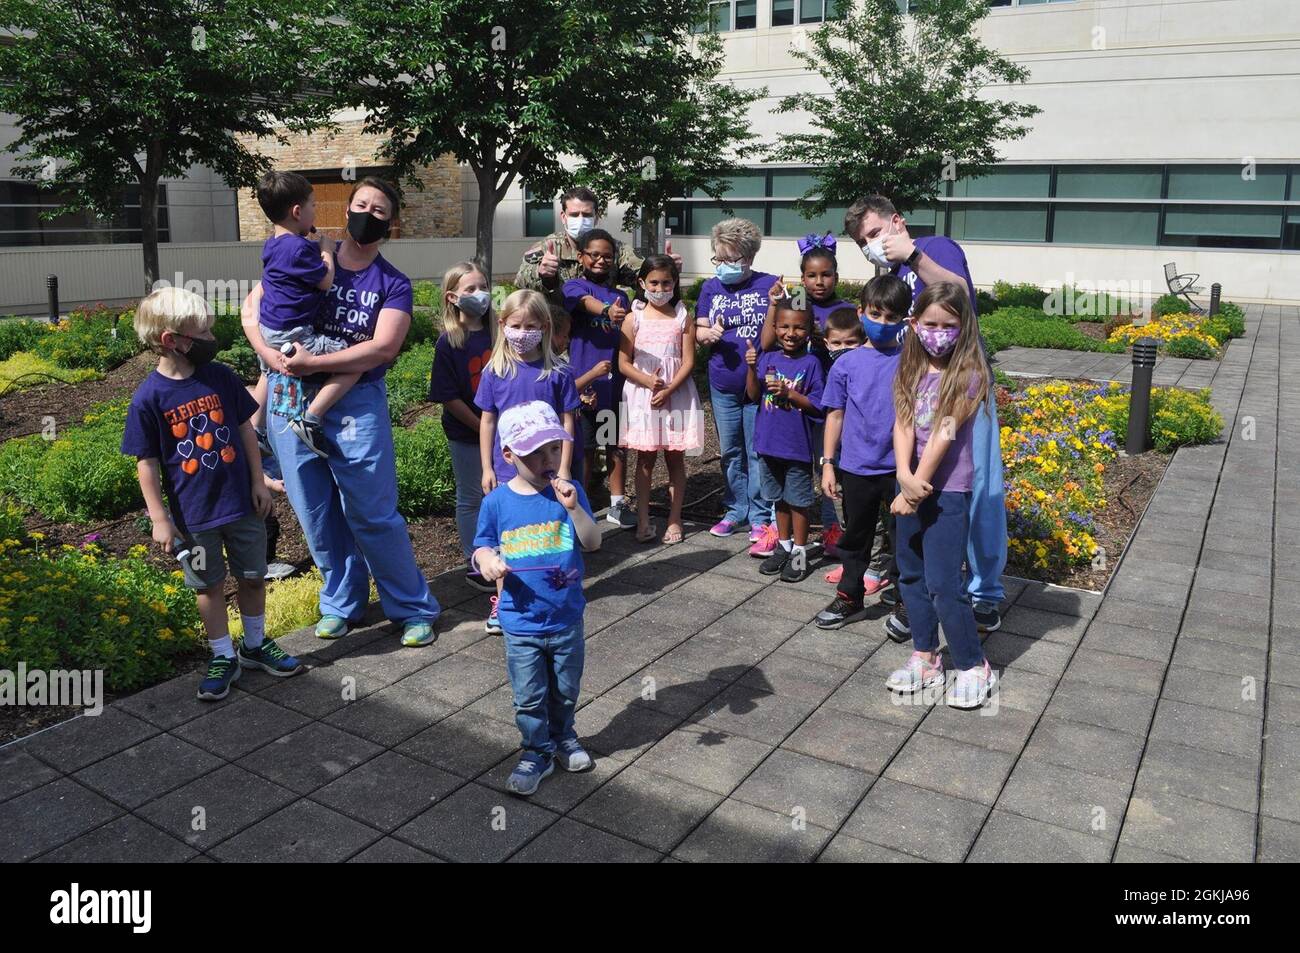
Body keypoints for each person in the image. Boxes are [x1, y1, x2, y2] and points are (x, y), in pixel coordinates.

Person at [240, 176, 441, 648]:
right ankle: (341, 603)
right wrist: (270, 357)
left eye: (378, 210)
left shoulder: (392, 283)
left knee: (372, 513)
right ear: (346, 207)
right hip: (290, 399)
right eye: (360, 205)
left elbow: (383, 349)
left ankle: (411, 608)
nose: (366, 215)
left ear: (391, 223)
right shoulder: (302, 255)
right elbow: (253, 310)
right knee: (315, 511)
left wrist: (315, 362)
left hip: (355, 407)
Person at [123, 286, 301, 701]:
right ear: (172, 340)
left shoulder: (218, 376)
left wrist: (259, 481)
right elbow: (145, 463)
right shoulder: (148, 398)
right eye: (200, 331)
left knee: (254, 576)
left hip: (241, 504)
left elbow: (244, 429)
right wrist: (160, 519)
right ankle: (223, 656)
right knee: (208, 586)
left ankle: (255, 646)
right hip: (194, 518)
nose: (209, 338)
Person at [845, 194, 1007, 634]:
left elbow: (963, 297)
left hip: (965, 394)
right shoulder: (895, 275)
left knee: (979, 494)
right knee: (932, 491)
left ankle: (985, 593)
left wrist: (914, 255)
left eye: (876, 232)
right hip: (921, 396)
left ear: (897, 222)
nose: (873, 244)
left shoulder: (935, 248)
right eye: (865, 241)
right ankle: (932, 595)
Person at [472, 401, 601, 796]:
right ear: (508, 455)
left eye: (553, 449)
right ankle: (535, 751)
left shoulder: (570, 492)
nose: (548, 459)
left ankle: (564, 738)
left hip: (565, 617)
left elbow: (593, 543)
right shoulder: (497, 502)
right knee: (529, 696)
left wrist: (575, 509)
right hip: (521, 620)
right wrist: (488, 561)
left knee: (565, 689)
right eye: (535, 453)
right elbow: (480, 548)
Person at [887, 281, 998, 709]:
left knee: (943, 583)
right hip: (910, 485)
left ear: (963, 326)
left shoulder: (969, 375)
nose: (937, 332)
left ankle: (973, 665)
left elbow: (944, 433)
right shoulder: (909, 368)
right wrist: (904, 476)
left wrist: (915, 488)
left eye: (947, 325)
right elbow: (902, 423)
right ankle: (926, 654)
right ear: (914, 324)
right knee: (910, 574)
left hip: (947, 491)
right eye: (929, 323)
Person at [475, 288, 581, 635]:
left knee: (546, 535)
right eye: (515, 325)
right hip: (507, 471)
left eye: (531, 325)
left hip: (548, 470)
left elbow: (568, 419)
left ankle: (553, 592)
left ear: (545, 326)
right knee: (509, 539)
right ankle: (503, 602)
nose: (523, 333)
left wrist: (563, 467)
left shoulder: (557, 372)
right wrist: (488, 467)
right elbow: (487, 419)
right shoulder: (495, 371)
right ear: (503, 324)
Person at [814, 278, 909, 629]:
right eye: (875, 314)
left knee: (904, 541)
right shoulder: (845, 365)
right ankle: (849, 597)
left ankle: (906, 603)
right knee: (856, 537)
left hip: (900, 470)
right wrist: (828, 464)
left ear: (905, 319)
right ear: (861, 312)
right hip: (856, 468)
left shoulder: (911, 361)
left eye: (892, 316)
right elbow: (834, 415)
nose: (883, 323)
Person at [755, 232, 855, 559]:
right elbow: (769, 344)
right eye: (811, 275)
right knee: (790, 467)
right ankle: (778, 531)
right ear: (802, 278)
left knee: (829, 466)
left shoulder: (845, 309)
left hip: (833, 402)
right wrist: (773, 306)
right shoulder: (798, 303)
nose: (819, 281)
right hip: (797, 402)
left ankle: (832, 529)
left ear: (836, 276)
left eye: (826, 274)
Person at [249, 171, 356, 459]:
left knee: (267, 370)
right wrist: (326, 251)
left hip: (269, 327)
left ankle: (255, 429)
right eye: (313, 205)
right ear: (297, 212)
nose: (316, 211)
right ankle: (310, 417)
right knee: (352, 358)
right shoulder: (299, 249)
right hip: (294, 332)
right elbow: (325, 281)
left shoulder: (273, 242)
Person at [694, 217, 777, 542]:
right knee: (730, 450)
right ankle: (735, 510)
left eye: (730, 259)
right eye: (719, 259)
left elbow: (793, 322)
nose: (723, 265)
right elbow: (697, 330)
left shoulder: (769, 283)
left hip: (759, 385)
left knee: (757, 451)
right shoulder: (710, 288)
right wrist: (706, 334)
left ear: (749, 257)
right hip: (722, 382)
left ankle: (759, 515)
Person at [618, 254, 703, 544]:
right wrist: (646, 381)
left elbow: (689, 361)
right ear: (642, 283)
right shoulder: (634, 318)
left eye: (666, 282)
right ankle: (643, 519)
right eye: (653, 282)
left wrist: (668, 389)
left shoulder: (682, 316)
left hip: (676, 395)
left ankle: (675, 518)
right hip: (642, 398)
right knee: (644, 459)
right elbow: (623, 362)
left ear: (675, 282)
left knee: (675, 458)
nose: (659, 288)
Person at [744, 302, 824, 583]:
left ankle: (800, 552)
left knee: (799, 502)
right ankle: (784, 544)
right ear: (775, 328)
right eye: (785, 326)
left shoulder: (812, 363)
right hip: (768, 444)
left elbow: (818, 406)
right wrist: (752, 368)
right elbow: (753, 395)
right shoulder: (767, 358)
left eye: (799, 326)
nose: (791, 333)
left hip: (797, 447)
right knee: (778, 499)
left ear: (809, 330)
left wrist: (790, 394)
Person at [561, 228, 635, 528]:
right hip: (584, 386)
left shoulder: (621, 295)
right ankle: (582, 506)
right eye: (594, 254)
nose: (601, 260)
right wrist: (606, 310)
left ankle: (617, 504)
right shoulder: (574, 287)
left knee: (615, 445)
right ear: (581, 257)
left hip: (615, 387)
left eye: (608, 255)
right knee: (586, 448)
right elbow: (584, 304)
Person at [429, 261, 496, 592]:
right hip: (466, 434)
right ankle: (475, 560)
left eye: (483, 286)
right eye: (471, 289)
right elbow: (448, 396)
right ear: (452, 297)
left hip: (503, 434)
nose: (480, 294)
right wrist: (482, 425)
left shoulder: (499, 333)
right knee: (471, 497)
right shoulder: (448, 342)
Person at [515, 186, 683, 304]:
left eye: (586, 214)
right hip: (558, 337)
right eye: (574, 214)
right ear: (563, 217)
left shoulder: (615, 249)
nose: (580, 219)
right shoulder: (547, 247)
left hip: (600, 331)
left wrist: (666, 269)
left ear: (596, 217)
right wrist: (541, 274)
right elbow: (520, 283)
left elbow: (645, 276)